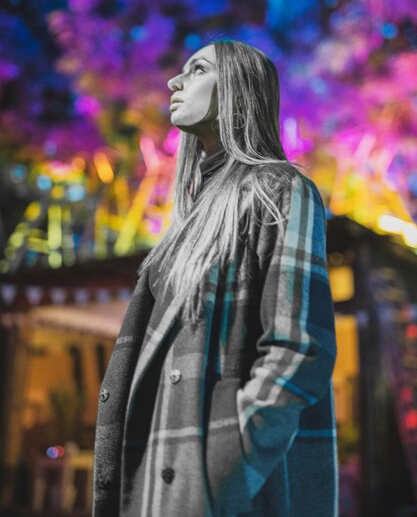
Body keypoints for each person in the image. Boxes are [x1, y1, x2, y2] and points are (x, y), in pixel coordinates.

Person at [93, 40, 338, 517]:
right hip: (149, 486)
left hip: (216, 494)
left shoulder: (283, 190)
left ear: (238, 90)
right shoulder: (185, 225)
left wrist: (223, 467)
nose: (174, 82)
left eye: (198, 69)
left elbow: (299, 348)